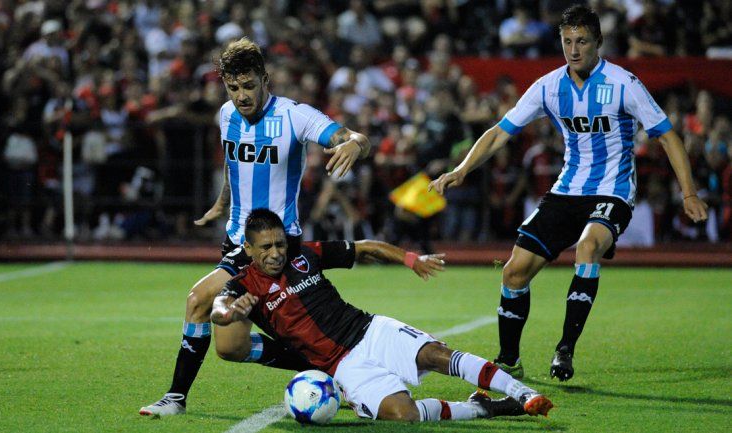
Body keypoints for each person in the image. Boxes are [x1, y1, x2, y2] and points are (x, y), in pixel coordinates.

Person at [429, 5, 708, 382]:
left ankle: (565, 349)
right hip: (567, 189)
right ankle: (509, 359)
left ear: (598, 43)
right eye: (567, 42)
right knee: (513, 272)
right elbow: (499, 130)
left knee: (588, 246)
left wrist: (688, 193)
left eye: (582, 41)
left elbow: (668, 136)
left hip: (613, 190)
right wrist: (461, 170)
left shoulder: (624, 83)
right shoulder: (548, 86)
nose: (574, 50)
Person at [140, 38, 371, 416]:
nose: (242, 95)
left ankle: (175, 398)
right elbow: (234, 167)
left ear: (266, 79)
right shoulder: (225, 115)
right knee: (231, 347)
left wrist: (356, 144)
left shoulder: (295, 116)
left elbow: (352, 137)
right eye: (234, 87)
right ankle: (329, 371)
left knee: (198, 300)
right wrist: (221, 203)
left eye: (249, 85)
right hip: (237, 242)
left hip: (274, 246)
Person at [210, 209, 554, 422]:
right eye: (266, 247)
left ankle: (522, 393)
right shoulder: (243, 286)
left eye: (280, 244)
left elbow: (366, 247)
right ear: (249, 249)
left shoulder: (305, 254)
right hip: (342, 367)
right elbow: (218, 309)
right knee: (404, 416)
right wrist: (230, 312)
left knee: (436, 355)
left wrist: (410, 259)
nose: (276, 253)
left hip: (370, 330)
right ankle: (483, 408)